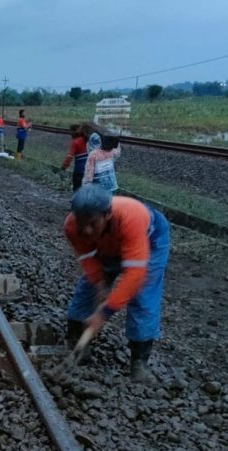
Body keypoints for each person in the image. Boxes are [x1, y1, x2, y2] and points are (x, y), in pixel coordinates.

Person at [63, 184, 170, 382]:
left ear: (107, 215)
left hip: (148, 239)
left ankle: (139, 362)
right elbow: (88, 258)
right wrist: (100, 284)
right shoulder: (72, 227)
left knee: (142, 296)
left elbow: (134, 276)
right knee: (87, 286)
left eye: (93, 223)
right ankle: (77, 343)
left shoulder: (131, 218)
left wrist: (104, 313)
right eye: (82, 223)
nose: (86, 230)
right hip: (109, 241)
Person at [61, 124, 89, 191]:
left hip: (79, 169)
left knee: (77, 187)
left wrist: (64, 166)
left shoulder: (75, 142)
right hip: (90, 169)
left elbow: (70, 156)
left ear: (73, 132)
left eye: (70, 131)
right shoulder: (87, 139)